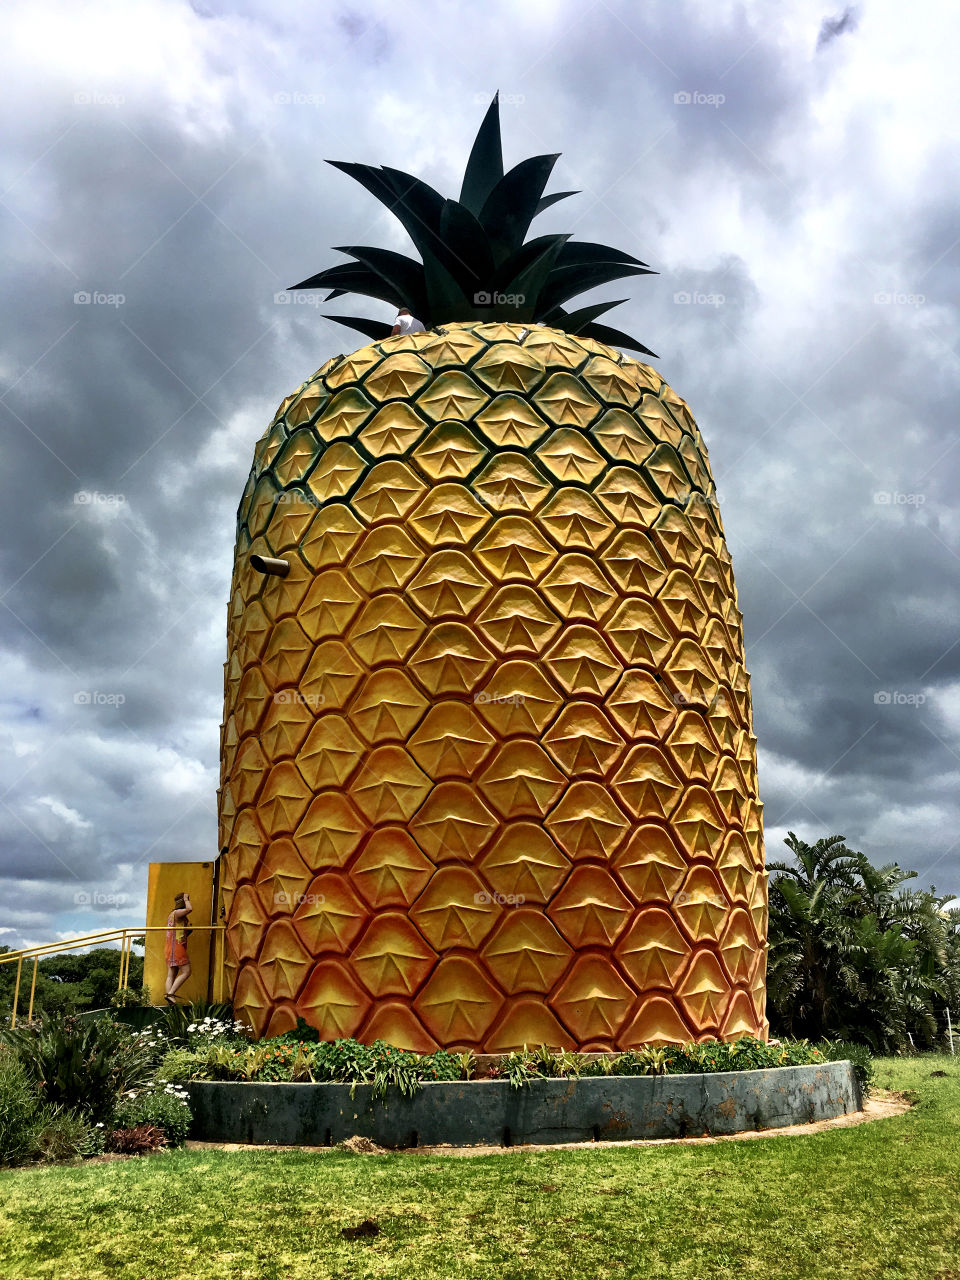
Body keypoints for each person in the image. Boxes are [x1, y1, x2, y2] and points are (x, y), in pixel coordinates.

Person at [164, 891, 192, 1004]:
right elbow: (190, 909)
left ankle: (169, 998)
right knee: (186, 971)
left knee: (171, 973)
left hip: (170, 947)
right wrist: (186, 899)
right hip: (176, 947)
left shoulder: (172, 914)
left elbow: (178, 931)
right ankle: (171, 994)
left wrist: (187, 932)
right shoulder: (177, 913)